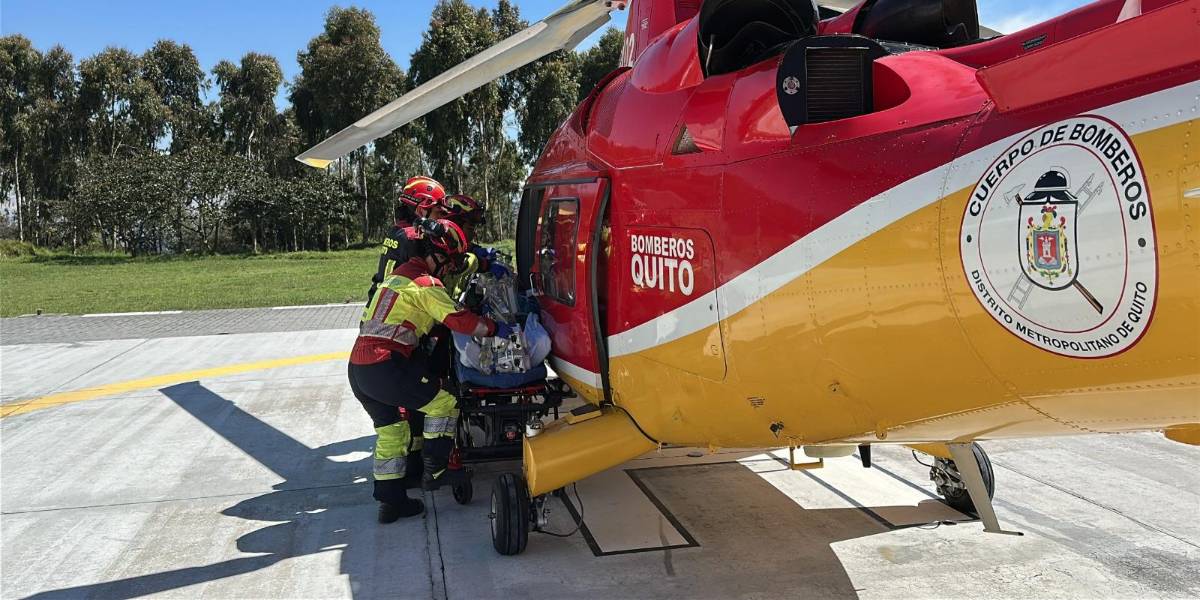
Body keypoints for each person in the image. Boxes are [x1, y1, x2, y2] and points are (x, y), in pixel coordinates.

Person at [348, 219, 514, 523]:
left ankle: (391, 503)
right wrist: (496, 328)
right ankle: (436, 470)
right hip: (386, 364)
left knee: (392, 433)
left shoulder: (396, 278)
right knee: (445, 400)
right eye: (449, 263)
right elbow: (459, 321)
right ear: (436, 256)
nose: (450, 270)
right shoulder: (425, 284)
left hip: (359, 369)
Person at [366, 176, 447, 304]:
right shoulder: (415, 236)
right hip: (393, 312)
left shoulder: (397, 230)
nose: (441, 217)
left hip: (377, 304)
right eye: (439, 212)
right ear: (421, 210)